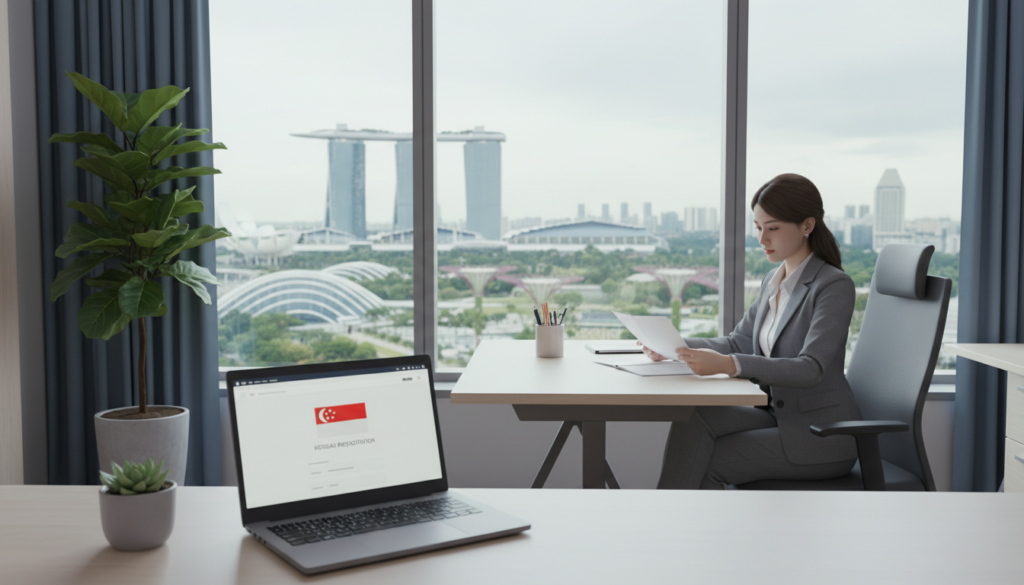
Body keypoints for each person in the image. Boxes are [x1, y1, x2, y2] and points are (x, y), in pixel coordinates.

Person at [643, 173, 862, 489]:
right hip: (780, 415)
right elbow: (739, 341)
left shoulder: (833, 286)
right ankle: (675, 526)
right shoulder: (773, 282)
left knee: (709, 460)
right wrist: (672, 345)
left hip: (822, 435)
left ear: (807, 226)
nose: (762, 240)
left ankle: (674, 532)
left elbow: (811, 369)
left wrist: (730, 365)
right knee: (695, 419)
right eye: (758, 228)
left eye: (772, 228)